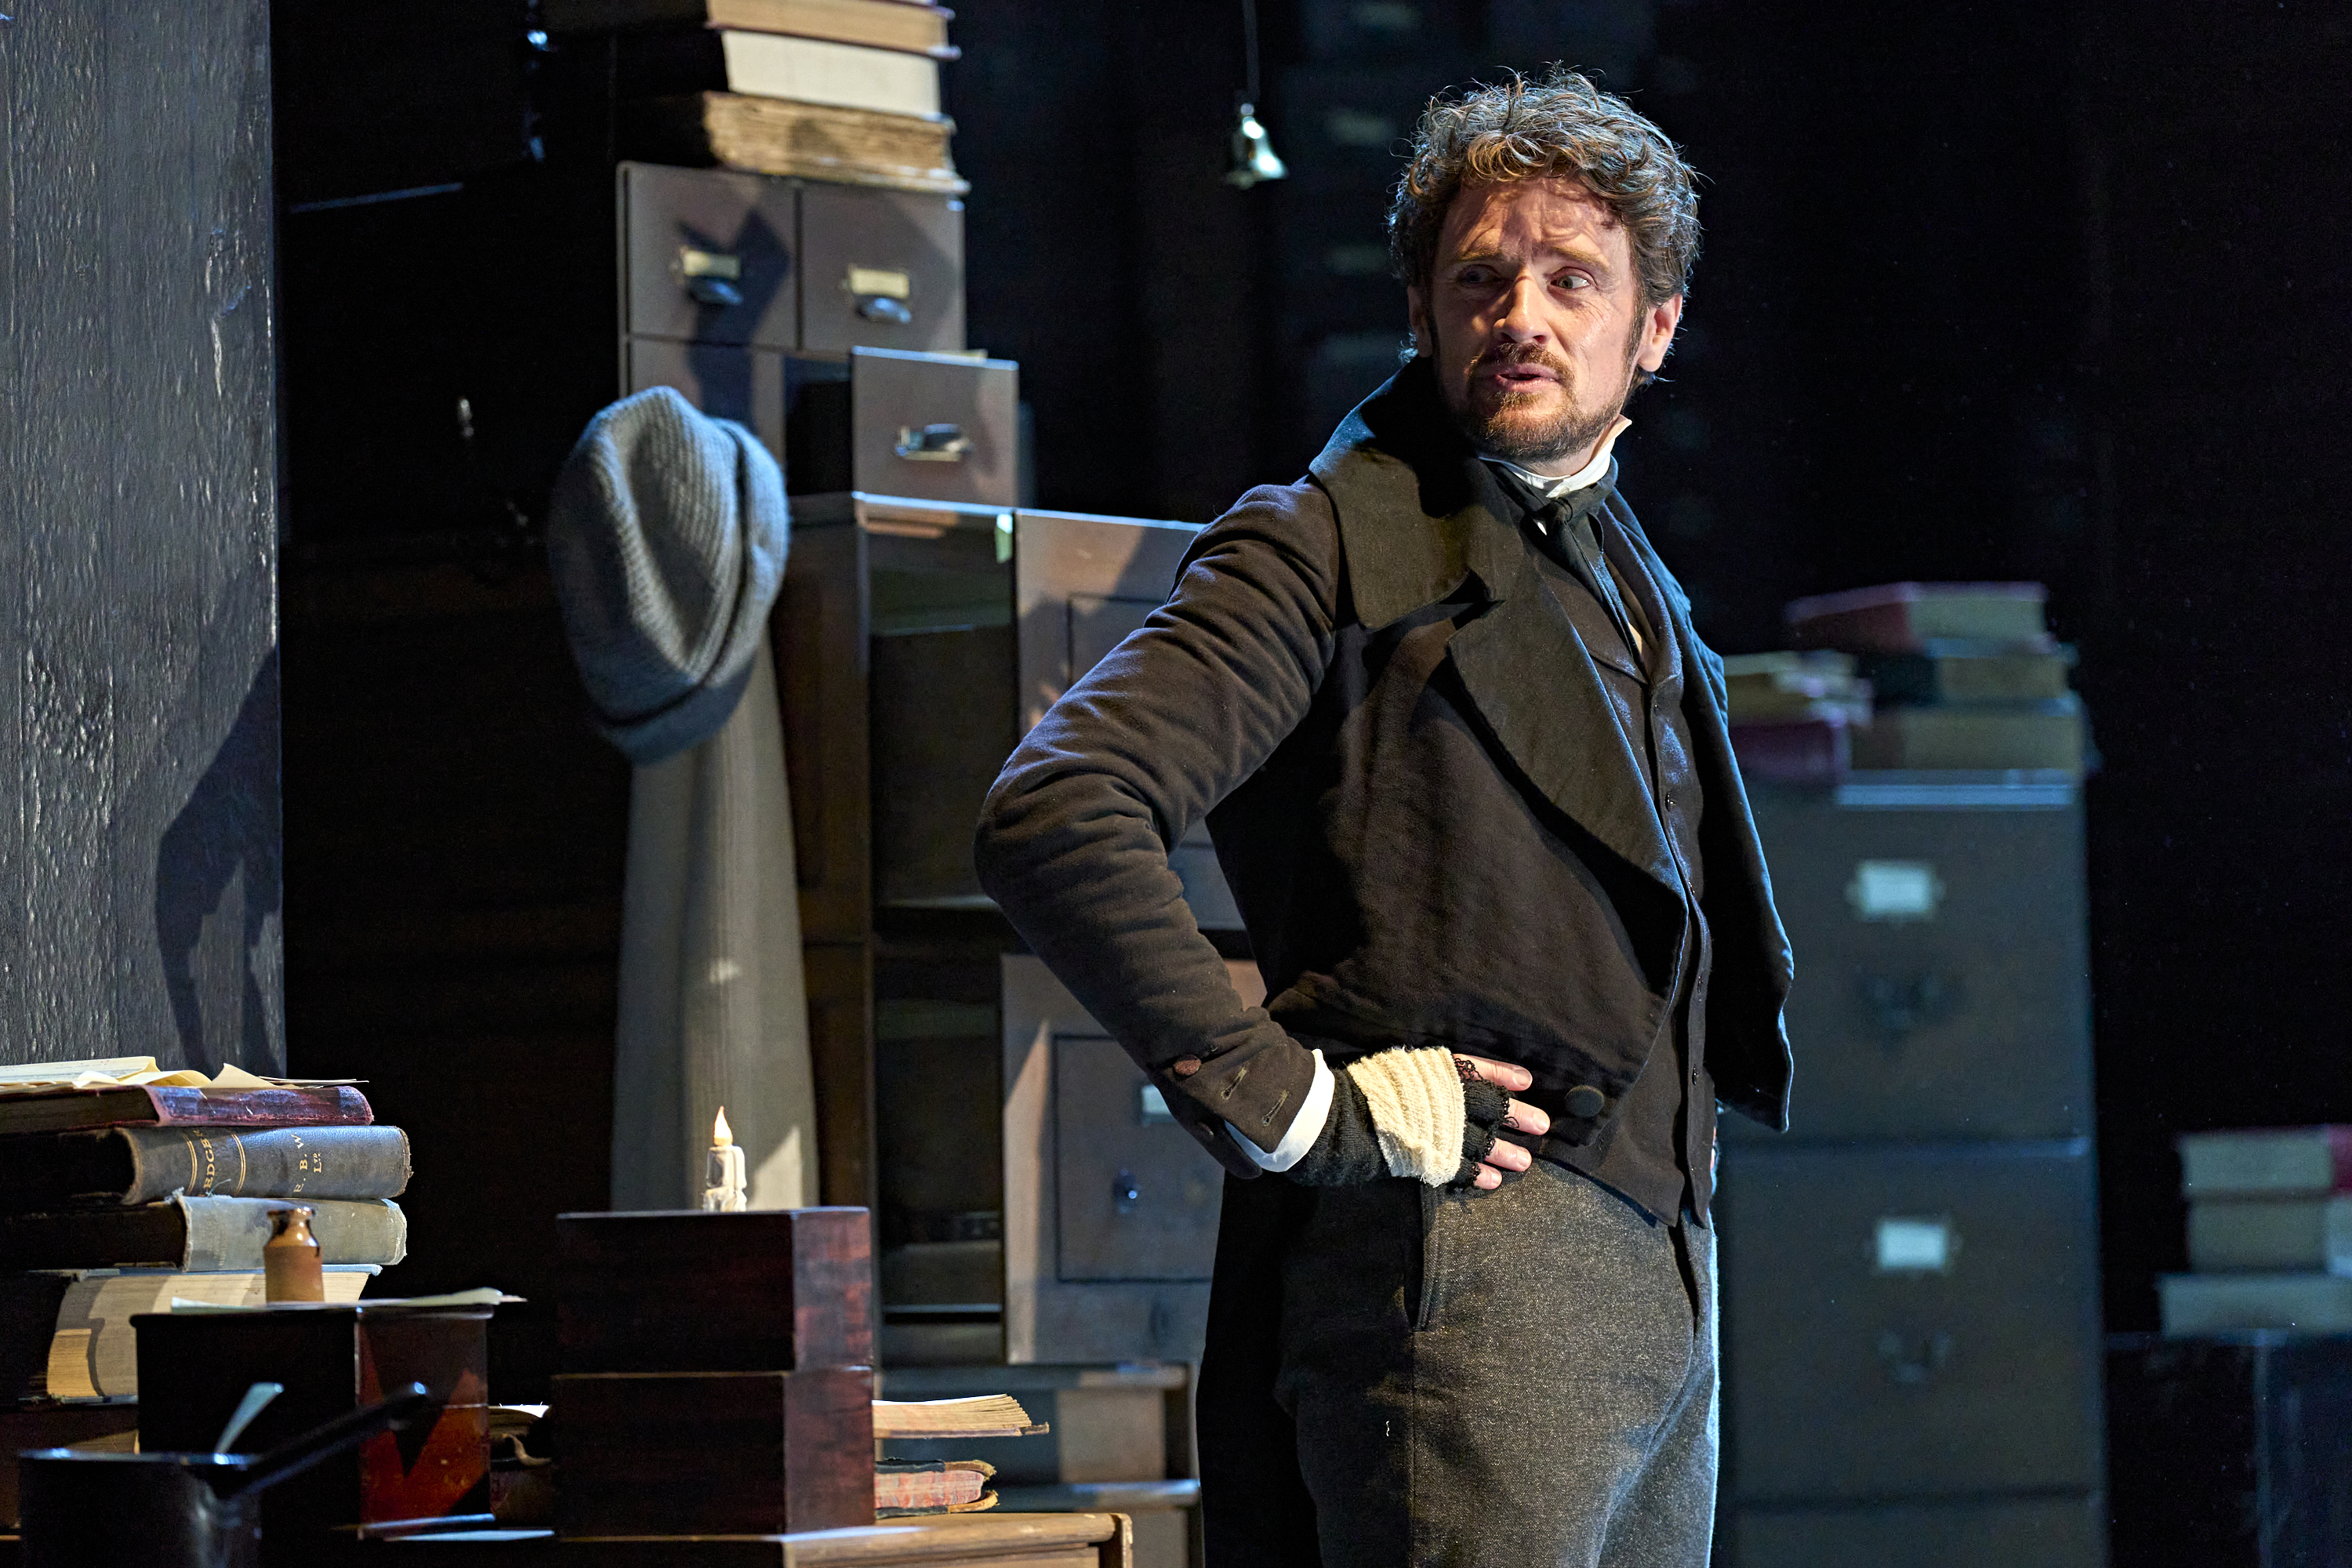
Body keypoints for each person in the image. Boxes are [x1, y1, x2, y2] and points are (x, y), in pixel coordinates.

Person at [975, 68, 1793, 1568]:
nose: (1520, 316)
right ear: (1421, 309)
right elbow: (1061, 808)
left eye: (1571, 279)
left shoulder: (1629, 577)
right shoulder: (1324, 538)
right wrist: (1288, 1102)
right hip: (1461, 1260)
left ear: (1654, 329)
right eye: (1479, 279)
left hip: (1661, 1276)